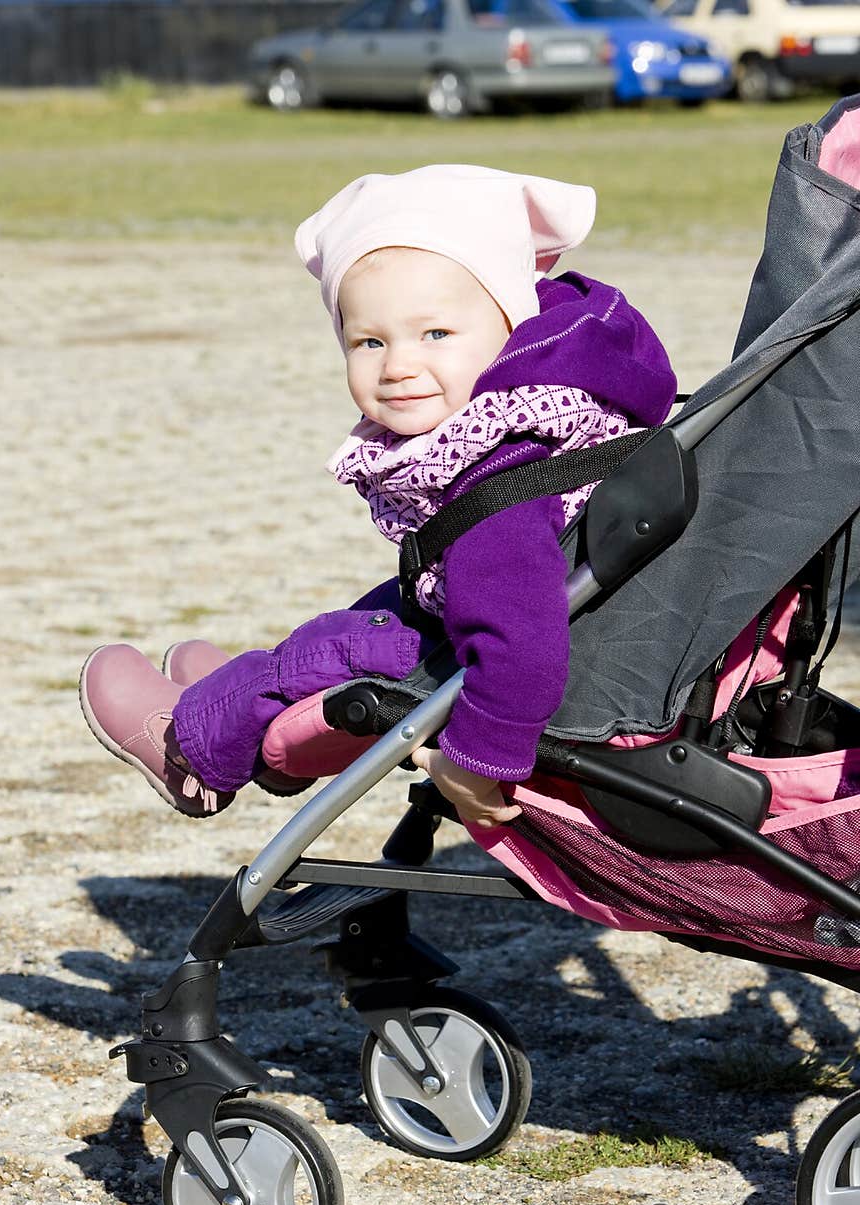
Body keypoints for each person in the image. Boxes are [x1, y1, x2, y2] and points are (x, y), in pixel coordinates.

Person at [79, 164, 677, 829]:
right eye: (369, 341)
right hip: (523, 613)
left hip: (498, 666)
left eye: (436, 335)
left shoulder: (500, 485)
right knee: (376, 609)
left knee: (331, 647)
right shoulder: (541, 409)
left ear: (510, 327)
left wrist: (483, 757)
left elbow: (520, 637)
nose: (397, 366)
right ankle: (249, 713)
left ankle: (192, 748)